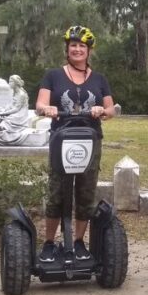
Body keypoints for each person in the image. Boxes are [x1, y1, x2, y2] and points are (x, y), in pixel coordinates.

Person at [35, 26, 115, 262]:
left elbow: (111, 109)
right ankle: (50, 242)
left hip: (90, 140)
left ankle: (79, 242)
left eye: (82, 46)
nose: (77, 49)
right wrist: (46, 108)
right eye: (73, 45)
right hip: (61, 139)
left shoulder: (99, 79)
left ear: (89, 51)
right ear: (67, 49)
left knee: (85, 191)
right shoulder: (53, 75)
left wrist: (103, 110)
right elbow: (40, 104)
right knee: (57, 191)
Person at [0, 74, 32, 145]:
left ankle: (0, 127)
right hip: (14, 111)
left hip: (20, 115)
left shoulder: (21, 94)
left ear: (16, 83)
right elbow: (12, 104)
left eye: (11, 81)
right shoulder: (15, 92)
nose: (9, 83)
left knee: (5, 121)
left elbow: (16, 109)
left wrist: (4, 113)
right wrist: (4, 110)